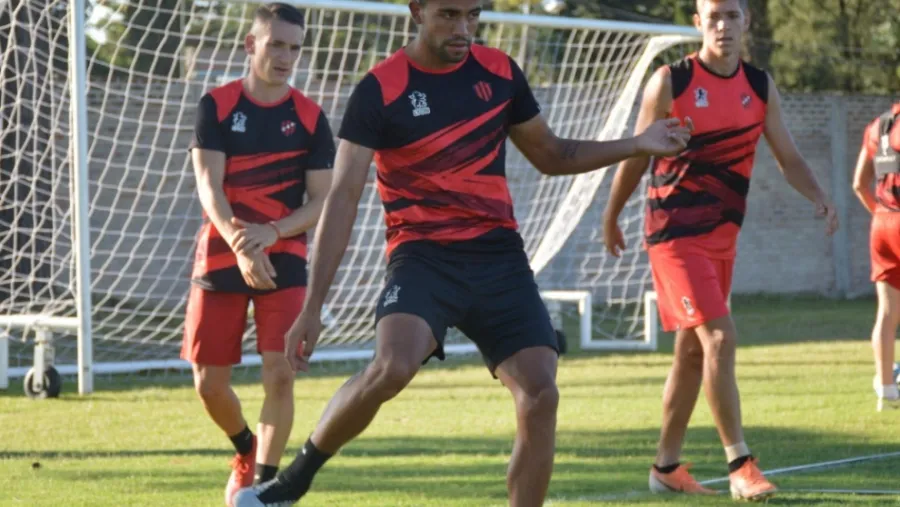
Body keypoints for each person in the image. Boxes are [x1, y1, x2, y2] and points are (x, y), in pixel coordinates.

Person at [233, 0, 692, 504]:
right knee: (393, 365)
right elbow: (342, 197)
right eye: (449, 15)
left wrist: (638, 142)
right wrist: (313, 306)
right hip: (422, 256)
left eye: (472, 15)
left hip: (499, 259)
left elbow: (553, 154)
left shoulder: (499, 73)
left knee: (541, 393)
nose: (463, 28)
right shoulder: (380, 88)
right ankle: (291, 484)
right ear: (417, 11)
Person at [602, 0, 839, 500]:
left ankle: (666, 467)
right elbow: (636, 154)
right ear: (697, 23)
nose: (723, 25)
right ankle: (740, 464)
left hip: (722, 238)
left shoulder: (760, 86)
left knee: (693, 353)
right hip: (673, 235)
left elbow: (789, 157)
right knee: (720, 337)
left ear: (746, 21)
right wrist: (611, 214)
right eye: (713, 16)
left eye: (732, 15)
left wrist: (819, 195)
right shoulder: (671, 82)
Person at [182, 3, 335, 506]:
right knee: (208, 384)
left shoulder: (311, 117)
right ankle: (246, 448)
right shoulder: (216, 105)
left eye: (295, 48)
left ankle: (264, 488)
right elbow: (209, 186)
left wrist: (271, 233)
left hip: (284, 256)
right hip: (221, 253)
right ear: (252, 45)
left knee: (280, 373)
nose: (286, 56)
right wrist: (241, 243)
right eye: (276, 45)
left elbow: (321, 201)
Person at [852, 102, 900, 412]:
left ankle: (886, 390)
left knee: (887, 312)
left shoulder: (878, 125)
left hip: (882, 221)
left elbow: (859, 184)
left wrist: (883, 217)